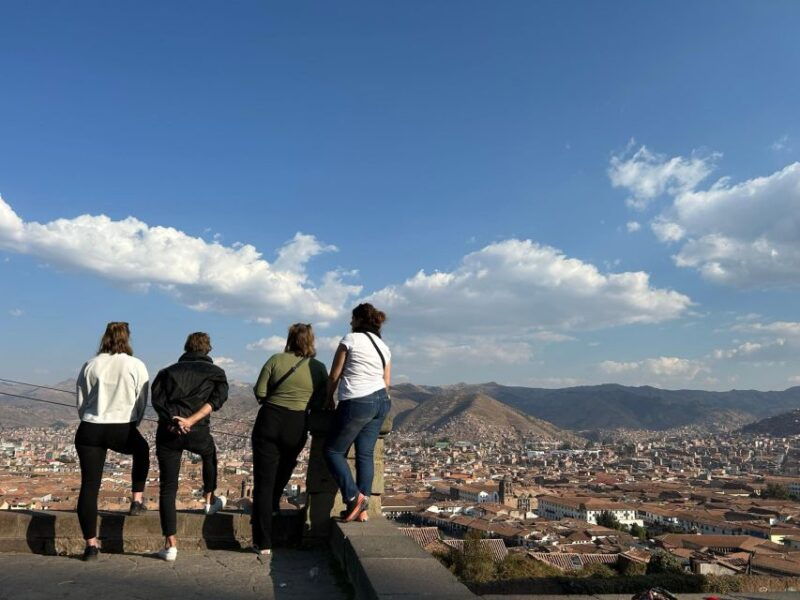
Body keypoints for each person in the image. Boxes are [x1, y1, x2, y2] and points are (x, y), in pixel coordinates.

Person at [251, 323, 328, 562]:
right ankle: (274, 504)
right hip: (297, 424)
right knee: (286, 467)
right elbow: (321, 401)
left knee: (263, 482)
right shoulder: (318, 368)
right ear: (311, 341)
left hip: (270, 419)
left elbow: (259, 392)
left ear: (290, 338)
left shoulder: (275, 359)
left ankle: (263, 542)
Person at [75, 322, 150, 561]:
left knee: (89, 486)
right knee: (143, 450)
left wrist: (90, 418)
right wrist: (133, 422)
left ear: (105, 337)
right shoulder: (136, 365)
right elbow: (141, 400)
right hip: (121, 427)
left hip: (90, 429)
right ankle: (137, 500)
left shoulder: (91, 364)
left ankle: (91, 546)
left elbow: (81, 399)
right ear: (127, 338)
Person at [151, 332, 228, 562]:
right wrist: (191, 421)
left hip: (169, 432)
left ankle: (170, 544)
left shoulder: (166, 372)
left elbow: (157, 401)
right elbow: (216, 402)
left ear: (186, 348)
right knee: (209, 453)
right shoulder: (216, 374)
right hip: (197, 431)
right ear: (208, 349)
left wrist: (175, 420)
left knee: (168, 487)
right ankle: (208, 500)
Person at [324, 303, 391, 523]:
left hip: (358, 400)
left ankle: (353, 496)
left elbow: (335, 374)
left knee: (333, 451)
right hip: (381, 401)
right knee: (365, 455)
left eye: (352, 319)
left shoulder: (350, 339)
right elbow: (387, 382)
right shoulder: (383, 346)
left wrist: (328, 399)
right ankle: (362, 510)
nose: (350, 323)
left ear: (359, 320)